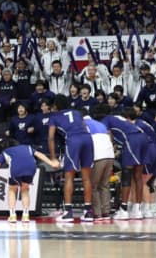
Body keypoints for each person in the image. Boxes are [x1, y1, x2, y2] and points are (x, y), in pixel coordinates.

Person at [93, 104, 148, 220]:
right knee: (138, 176)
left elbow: (107, 136)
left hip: (131, 140)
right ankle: (137, 209)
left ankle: (124, 209)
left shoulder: (105, 120)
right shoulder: (116, 117)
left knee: (126, 176)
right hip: (142, 137)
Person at [0, 138, 59, 222]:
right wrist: (51, 163)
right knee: (25, 190)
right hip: (31, 168)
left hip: (16, 169)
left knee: (12, 190)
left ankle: (12, 215)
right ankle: (26, 215)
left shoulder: (6, 151)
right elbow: (39, 154)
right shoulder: (27, 147)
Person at [48, 94, 94, 222]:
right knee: (86, 178)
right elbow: (84, 126)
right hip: (88, 139)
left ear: (56, 105)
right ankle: (88, 212)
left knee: (69, 177)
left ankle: (68, 212)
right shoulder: (77, 112)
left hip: (73, 140)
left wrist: (53, 158)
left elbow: (51, 137)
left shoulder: (54, 116)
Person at [83, 114, 115, 221]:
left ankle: (97, 213)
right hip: (110, 156)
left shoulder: (83, 124)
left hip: (98, 157)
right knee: (105, 185)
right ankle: (106, 212)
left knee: (94, 186)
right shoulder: (101, 124)